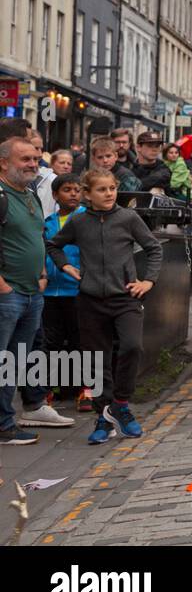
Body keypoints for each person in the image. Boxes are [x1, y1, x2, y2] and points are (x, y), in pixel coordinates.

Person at [47, 167, 163, 445]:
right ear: (87, 194)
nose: (109, 194)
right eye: (102, 189)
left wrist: (148, 281)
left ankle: (120, 405)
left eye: (112, 188)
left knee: (132, 346)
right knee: (96, 361)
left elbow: (154, 248)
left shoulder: (128, 217)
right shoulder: (78, 222)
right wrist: (66, 266)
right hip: (89, 301)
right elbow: (53, 245)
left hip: (125, 298)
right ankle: (103, 418)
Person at [1, 138, 73, 445]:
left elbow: (36, 236)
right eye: (25, 159)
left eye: (35, 158)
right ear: (4, 163)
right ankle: (3, 425)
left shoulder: (30, 194)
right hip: (8, 294)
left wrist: (43, 273)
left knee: (16, 362)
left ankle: (15, 416)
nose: (33, 164)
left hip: (32, 292)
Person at [43, 173, 92, 412]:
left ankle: (85, 389)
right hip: (50, 292)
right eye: (67, 190)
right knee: (50, 343)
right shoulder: (48, 222)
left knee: (80, 341)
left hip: (77, 290)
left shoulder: (86, 219)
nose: (73, 194)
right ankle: (48, 389)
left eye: (76, 189)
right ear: (55, 195)